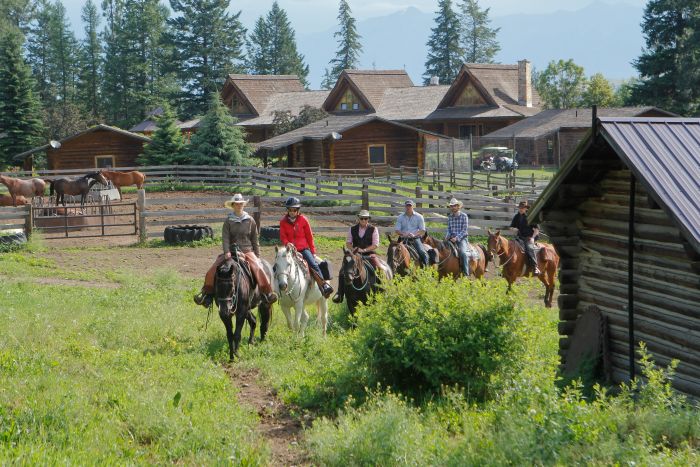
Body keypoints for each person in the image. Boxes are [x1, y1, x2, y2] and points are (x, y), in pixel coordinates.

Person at [194, 193, 278, 307]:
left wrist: (257, 255)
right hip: (231, 251)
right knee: (213, 269)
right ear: (233, 205)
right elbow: (225, 238)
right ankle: (206, 295)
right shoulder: (228, 221)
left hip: (247, 250)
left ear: (243, 205)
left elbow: (255, 239)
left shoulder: (250, 220)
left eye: (241, 204)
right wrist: (226, 251)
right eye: (237, 204)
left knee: (258, 268)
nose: (239, 205)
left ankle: (266, 293)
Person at [279, 197, 334, 298]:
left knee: (313, 264)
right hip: (290, 250)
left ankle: (324, 286)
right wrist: (287, 243)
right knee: (278, 265)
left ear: (298, 210)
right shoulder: (283, 222)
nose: (292, 212)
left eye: (294, 210)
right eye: (290, 210)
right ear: (287, 210)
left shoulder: (303, 220)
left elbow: (309, 236)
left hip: (303, 249)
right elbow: (283, 236)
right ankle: (275, 288)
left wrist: (312, 252)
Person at [333, 210, 389, 304]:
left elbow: (376, 244)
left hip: (369, 254)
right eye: (362, 218)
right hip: (355, 255)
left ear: (368, 219)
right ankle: (340, 293)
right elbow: (348, 243)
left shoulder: (373, 229)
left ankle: (384, 290)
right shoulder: (352, 229)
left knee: (380, 268)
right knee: (343, 270)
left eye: (365, 218)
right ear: (358, 218)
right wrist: (354, 249)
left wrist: (364, 250)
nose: (363, 220)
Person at [394, 199, 429, 267]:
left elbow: (422, 230)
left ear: (413, 206)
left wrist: (414, 234)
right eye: (407, 206)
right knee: (393, 251)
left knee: (422, 252)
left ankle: (426, 268)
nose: (408, 207)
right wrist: (404, 234)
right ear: (405, 207)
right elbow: (397, 230)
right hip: (403, 239)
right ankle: (391, 268)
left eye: (410, 206)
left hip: (415, 238)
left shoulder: (419, 217)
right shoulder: (400, 217)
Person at [510, 200, 540, 275]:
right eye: (520, 207)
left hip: (529, 237)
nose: (520, 209)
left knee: (529, 248)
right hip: (519, 238)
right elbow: (511, 227)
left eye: (522, 208)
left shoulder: (530, 217)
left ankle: (535, 267)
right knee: (510, 247)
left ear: (526, 208)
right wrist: (514, 229)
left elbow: (536, 230)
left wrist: (533, 238)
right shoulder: (516, 216)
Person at [445, 198, 471, 276]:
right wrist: (447, 237)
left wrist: (456, 238)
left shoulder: (464, 216)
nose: (453, 207)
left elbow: (464, 230)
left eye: (454, 206)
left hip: (462, 239)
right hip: (451, 238)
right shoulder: (450, 217)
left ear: (458, 206)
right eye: (451, 206)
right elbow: (449, 229)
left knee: (463, 253)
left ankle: (466, 273)